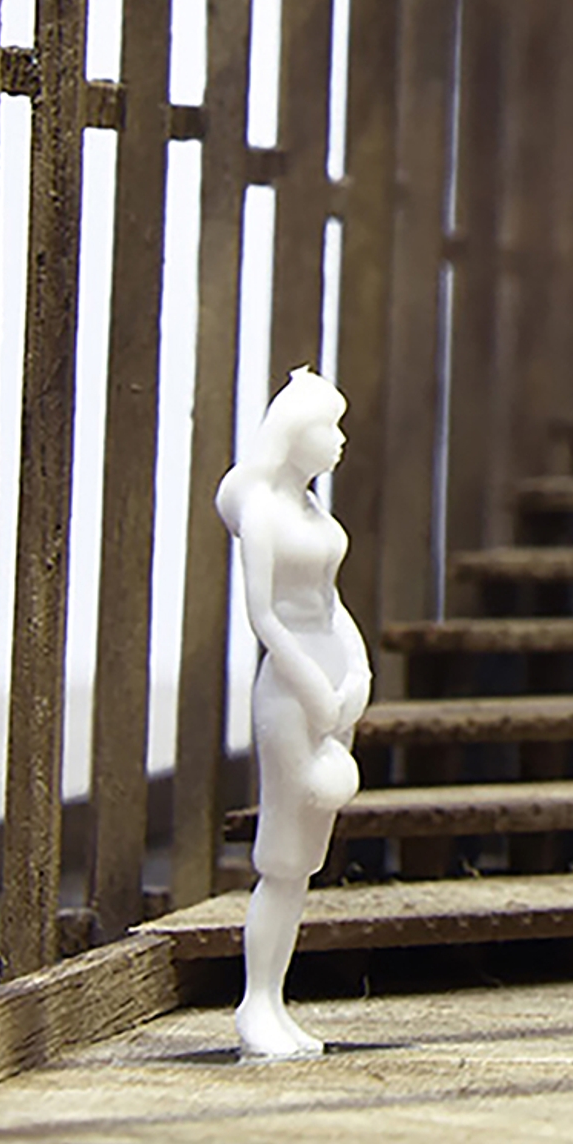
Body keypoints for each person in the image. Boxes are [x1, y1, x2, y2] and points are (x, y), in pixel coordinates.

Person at [216, 367, 371, 1061]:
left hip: (331, 686)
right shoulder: (263, 511)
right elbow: (265, 616)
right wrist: (311, 683)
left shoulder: (314, 514)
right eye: (327, 428)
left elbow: (330, 604)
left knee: (304, 860)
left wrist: (356, 669)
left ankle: (276, 1000)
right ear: (292, 435)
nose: (339, 441)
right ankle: (257, 1002)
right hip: (289, 688)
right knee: (280, 856)